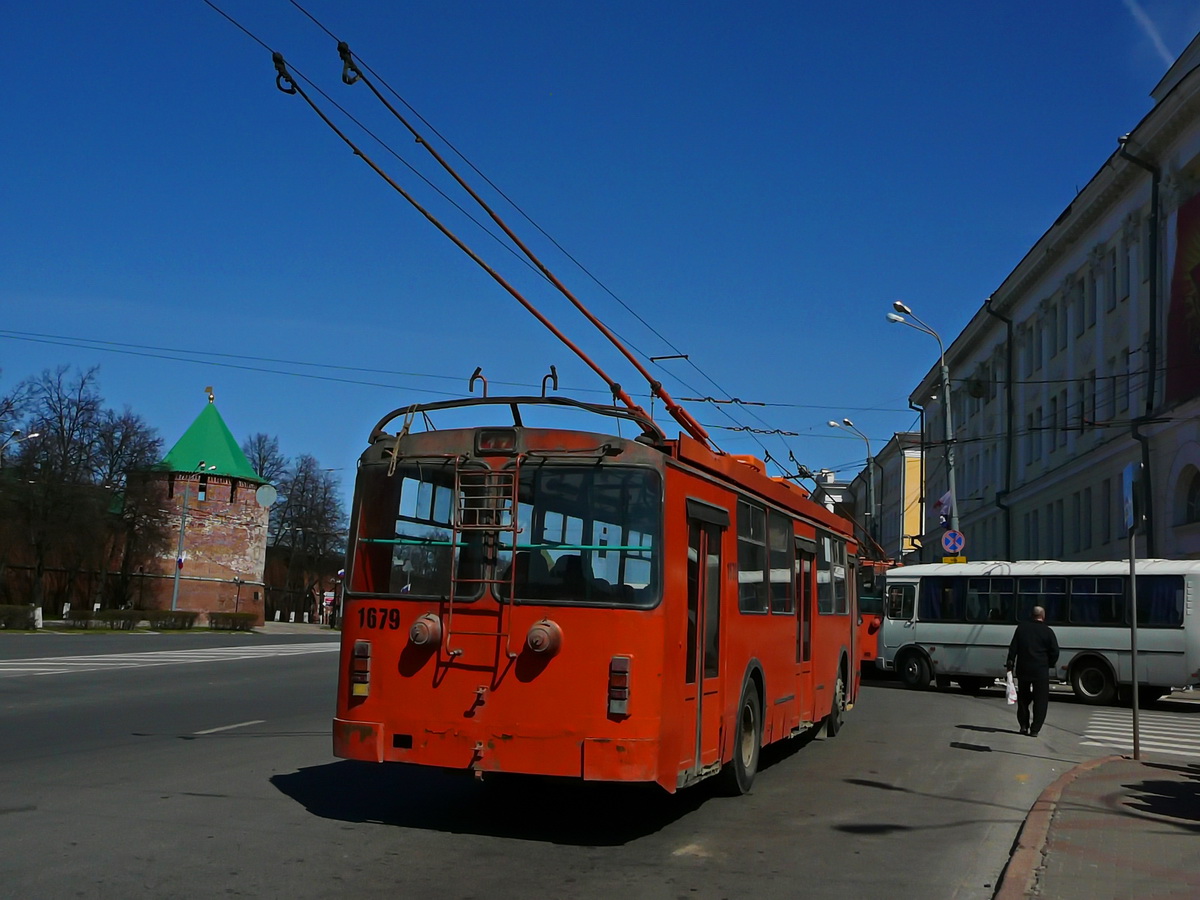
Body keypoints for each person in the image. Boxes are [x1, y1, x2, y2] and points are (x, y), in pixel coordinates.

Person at [1005, 605, 1060, 737]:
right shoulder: (1048, 631)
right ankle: (1035, 729)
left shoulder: (1022, 628)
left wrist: (1010, 665)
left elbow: (1013, 648)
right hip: (1040, 671)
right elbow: (1055, 652)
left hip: (1023, 669)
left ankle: (1024, 725)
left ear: (1032, 615)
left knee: (1023, 699)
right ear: (1043, 616)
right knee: (1040, 700)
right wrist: (1049, 663)